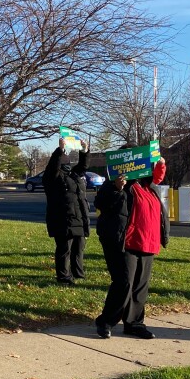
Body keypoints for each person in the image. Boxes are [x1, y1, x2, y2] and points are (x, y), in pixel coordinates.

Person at [94, 157, 169, 339]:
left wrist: (160, 163)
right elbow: (101, 203)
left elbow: (158, 177)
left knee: (140, 286)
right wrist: (117, 188)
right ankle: (106, 321)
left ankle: (134, 323)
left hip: (148, 241)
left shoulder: (145, 185)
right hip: (125, 242)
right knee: (124, 283)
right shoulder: (117, 184)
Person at [42, 137, 90, 285]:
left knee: (79, 249)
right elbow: (52, 168)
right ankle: (64, 277)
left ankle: (78, 273)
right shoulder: (53, 177)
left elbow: (83, 166)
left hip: (79, 218)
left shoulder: (73, 175)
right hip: (63, 219)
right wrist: (60, 150)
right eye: (64, 158)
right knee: (65, 249)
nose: (67, 161)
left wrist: (84, 151)